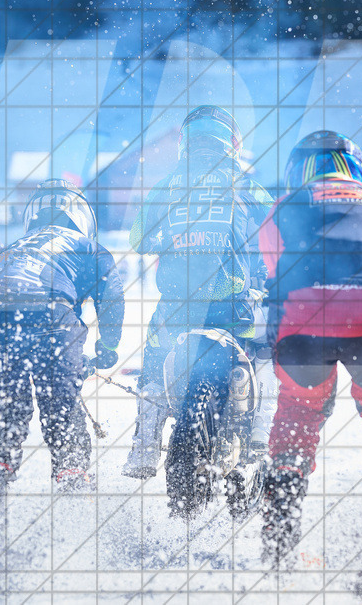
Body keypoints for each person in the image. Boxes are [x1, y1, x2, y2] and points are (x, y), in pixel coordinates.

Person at [259, 131, 362, 590]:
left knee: (297, 412)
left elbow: (268, 266)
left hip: (302, 324)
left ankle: (279, 533)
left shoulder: (284, 206)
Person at [122, 106, 276, 481]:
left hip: (177, 309)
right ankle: (260, 428)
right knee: (265, 350)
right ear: (232, 143)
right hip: (231, 307)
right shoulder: (243, 182)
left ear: (185, 143)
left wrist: (169, 238)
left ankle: (145, 442)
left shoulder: (167, 184)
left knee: (156, 361)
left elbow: (137, 240)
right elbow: (278, 225)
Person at [0, 180, 125, 506]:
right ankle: (72, 472)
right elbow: (111, 296)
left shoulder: (15, 245)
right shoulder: (87, 246)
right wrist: (106, 348)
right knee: (61, 404)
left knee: (9, 402)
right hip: (50, 317)